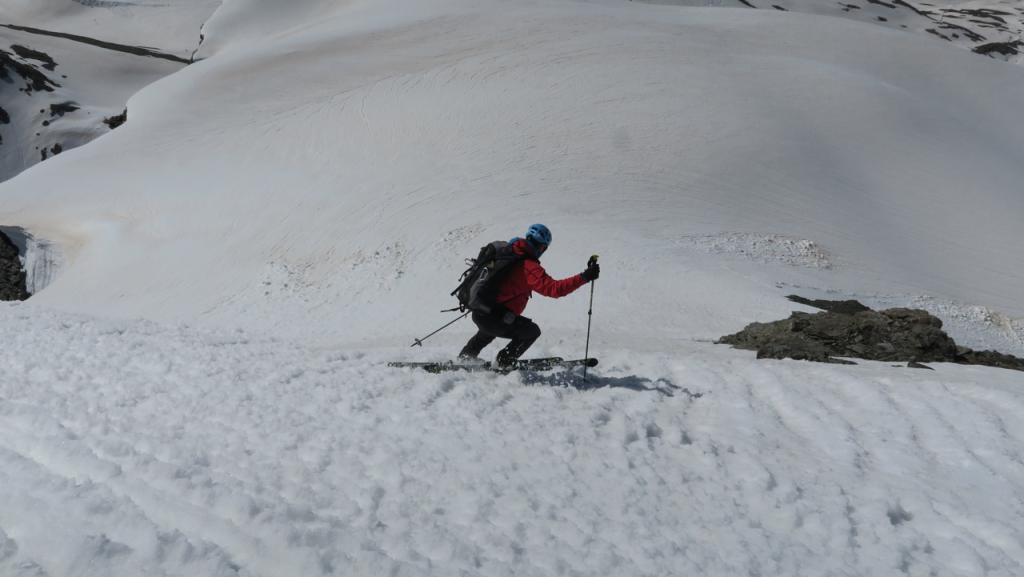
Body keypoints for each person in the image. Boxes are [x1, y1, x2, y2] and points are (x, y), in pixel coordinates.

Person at [459, 223, 600, 367]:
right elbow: (555, 289)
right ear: (542, 247)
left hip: (481, 311)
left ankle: (465, 357)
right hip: (493, 317)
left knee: (491, 329)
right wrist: (584, 277)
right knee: (531, 331)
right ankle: (504, 362)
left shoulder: (509, 253)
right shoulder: (527, 266)